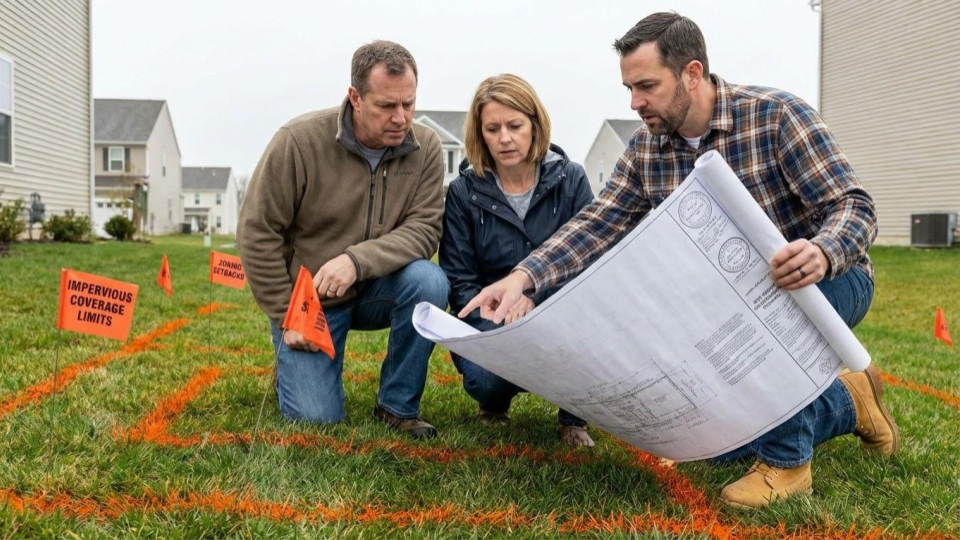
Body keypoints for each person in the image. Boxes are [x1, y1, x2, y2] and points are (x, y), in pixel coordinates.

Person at [459, 13, 899, 507]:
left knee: (765, 324)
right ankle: (850, 401)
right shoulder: (647, 149)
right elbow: (597, 224)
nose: (635, 102)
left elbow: (853, 206)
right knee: (716, 448)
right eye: (628, 88)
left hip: (829, 281)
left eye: (646, 86)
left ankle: (788, 464)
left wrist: (821, 251)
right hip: (721, 303)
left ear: (692, 73)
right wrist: (523, 277)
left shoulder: (777, 116)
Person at [237, 40, 449, 440]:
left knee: (430, 281)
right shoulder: (298, 141)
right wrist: (288, 313)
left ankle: (397, 407)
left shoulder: (426, 148)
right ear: (355, 97)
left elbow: (424, 229)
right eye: (386, 105)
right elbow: (257, 230)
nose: (401, 118)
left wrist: (356, 261)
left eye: (409, 104)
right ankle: (294, 369)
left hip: (378, 287)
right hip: (312, 299)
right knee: (316, 422)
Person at [440, 74, 596, 447]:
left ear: (535, 125)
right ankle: (493, 402)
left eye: (514, 125)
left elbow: (590, 261)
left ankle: (574, 419)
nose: (504, 138)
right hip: (492, 321)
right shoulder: (463, 191)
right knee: (484, 379)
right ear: (480, 135)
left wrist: (534, 298)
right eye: (492, 128)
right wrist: (495, 318)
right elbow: (459, 279)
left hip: (560, 312)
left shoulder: (571, 179)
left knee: (591, 333)